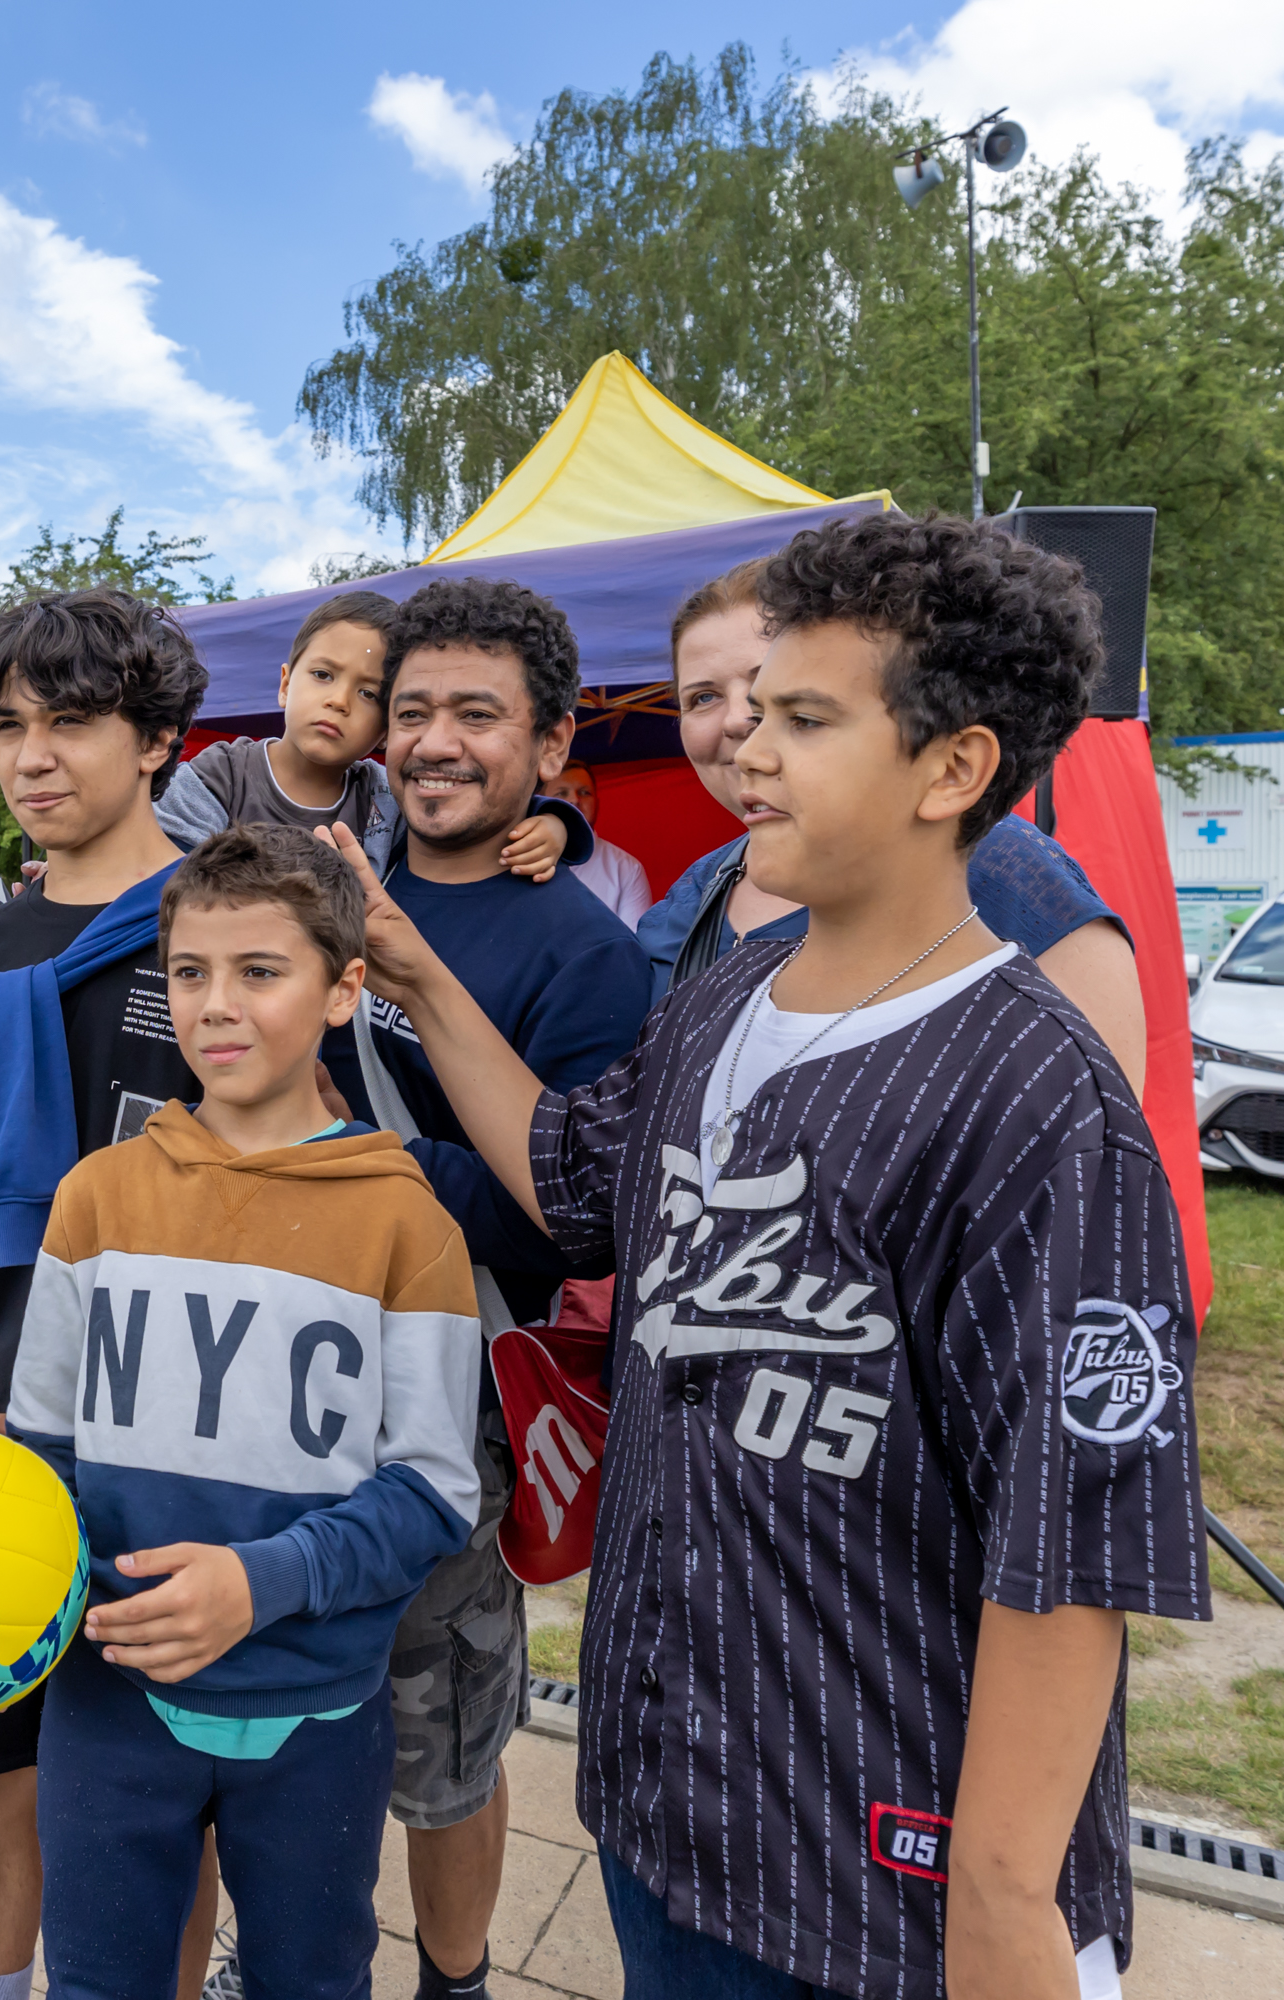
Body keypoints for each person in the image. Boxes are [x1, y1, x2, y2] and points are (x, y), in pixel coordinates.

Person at [328, 510, 1207, 2000]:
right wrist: (409, 965)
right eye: (743, 708)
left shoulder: (1035, 1091)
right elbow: (573, 1176)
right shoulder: (721, 1001)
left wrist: (1002, 1898)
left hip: (886, 1869)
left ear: (953, 768)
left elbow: (1071, 1529)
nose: (747, 749)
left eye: (804, 717)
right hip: (675, 1807)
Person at [0, 824, 480, 2000]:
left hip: (317, 1706)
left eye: (260, 971)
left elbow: (433, 1493)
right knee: (100, 1982)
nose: (218, 1004)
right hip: (108, 1698)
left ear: (343, 987)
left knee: (311, 1979)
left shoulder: (409, 1224)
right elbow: (37, 1460)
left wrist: (261, 1582)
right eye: (191, 972)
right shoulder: (94, 1196)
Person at [0, 587, 224, 2000]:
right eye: (10, 724)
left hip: (175, 1436)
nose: (31, 757)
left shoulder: (225, 917)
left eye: (70, 723)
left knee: (173, 1790)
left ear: (155, 741)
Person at [314, 577, 649, 2000]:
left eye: (477, 715)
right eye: (416, 711)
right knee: (276, 1716)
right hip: (267, 1394)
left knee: (441, 1747)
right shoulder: (315, 886)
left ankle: (452, 1978)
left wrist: (349, 1162)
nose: (437, 742)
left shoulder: (585, 955)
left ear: (552, 745)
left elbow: (567, 1233)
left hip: (445, 1424)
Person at [641, 557, 1149, 1090]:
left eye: (789, 703)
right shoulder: (684, 906)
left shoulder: (1002, 864)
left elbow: (1095, 1130)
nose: (739, 723)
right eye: (701, 697)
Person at [156, 590, 581, 881]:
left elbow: (475, 812)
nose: (338, 701)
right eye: (323, 675)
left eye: (367, 693)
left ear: (388, 726)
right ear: (285, 685)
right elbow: (162, 880)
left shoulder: (384, 799)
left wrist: (553, 823)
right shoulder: (219, 777)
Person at [545, 762, 653, 926]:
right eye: (562, 793)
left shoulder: (627, 869)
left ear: (597, 803)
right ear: (542, 802)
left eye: (585, 792)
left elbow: (635, 946)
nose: (575, 799)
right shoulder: (516, 860)